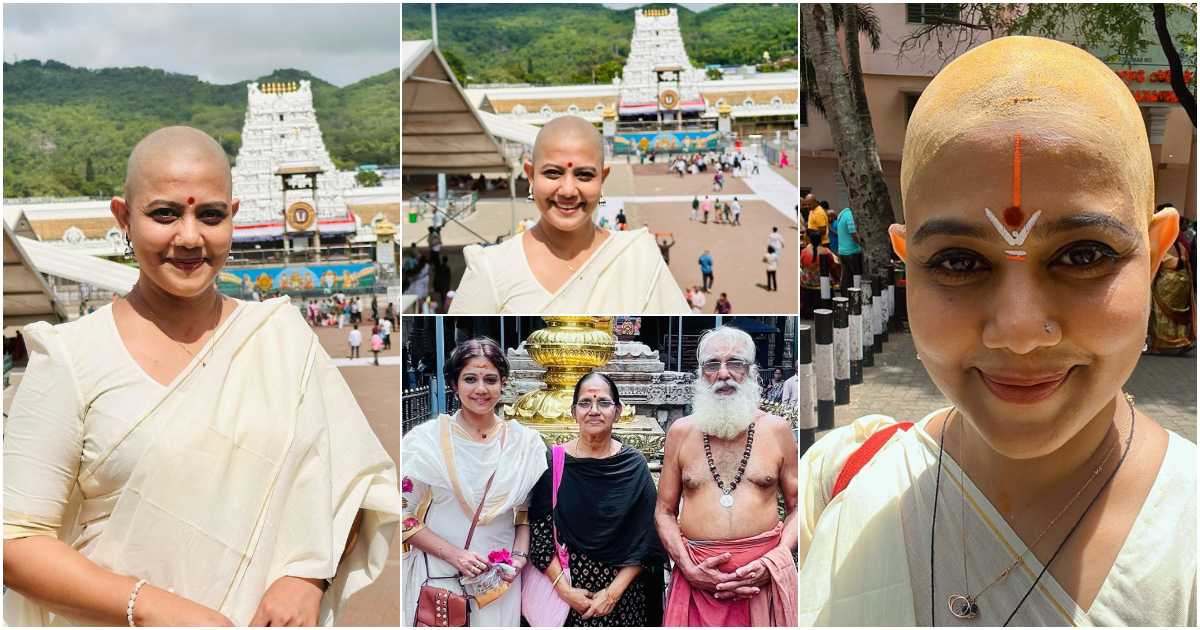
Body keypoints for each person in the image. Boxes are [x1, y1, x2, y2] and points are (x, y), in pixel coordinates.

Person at [797, 36, 1195, 626]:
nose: (1018, 332)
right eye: (958, 262)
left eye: (1083, 255)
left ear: (1159, 252)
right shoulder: (839, 485)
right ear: (908, 261)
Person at [3, 126, 400, 626]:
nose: (189, 237)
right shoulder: (68, 358)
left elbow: (353, 487)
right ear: (123, 218)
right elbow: (14, 540)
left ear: (233, 217)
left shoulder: (281, 339)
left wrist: (309, 577)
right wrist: (153, 609)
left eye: (209, 215)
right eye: (164, 213)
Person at [450, 116, 688, 314]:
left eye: (584, 175)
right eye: (553, 173)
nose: (567, 191)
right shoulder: (491, 269)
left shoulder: (638, 255)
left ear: (602, 178)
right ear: (530, 175)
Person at [656, 327, 799, 626]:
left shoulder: (776, 430)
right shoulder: (681, 432)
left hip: (762, 584)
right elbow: (665, 512)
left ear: (751, 371)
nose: (723, 374)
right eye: (712, 365)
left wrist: (776, 559)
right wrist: (688, 567)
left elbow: (800, 507)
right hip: (696, 584)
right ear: (701, 374)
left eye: (734, 363)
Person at [402, 338, 548, 626]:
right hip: (440, 579)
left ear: (503, 383)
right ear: (454, 385)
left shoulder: (524, 443)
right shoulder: (425, 442)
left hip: (499, 583)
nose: (481, 389)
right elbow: (402, 516)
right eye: (470, 379)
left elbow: (525, 514)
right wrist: (456, 556)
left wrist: (518, 559)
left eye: (490, 379)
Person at [527, 372, 667, 627]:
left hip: (624, 598)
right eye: (585, 403)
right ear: (573, 411)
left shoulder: (633, 465)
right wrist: (565, 591)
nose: (594, 410)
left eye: (603, 402)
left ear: (618, 410)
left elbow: (648, 540)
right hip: (565, 598)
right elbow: (540, 534)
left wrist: (612, 594)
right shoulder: (554, 462)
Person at [1147, 207, 1195, 354]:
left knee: (1160, 312)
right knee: (1177, 315)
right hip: (1183, 280)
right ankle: (1181, 340)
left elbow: (1157, 262)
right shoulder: (1182, 241)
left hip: (1168, 280)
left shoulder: (1164, 240)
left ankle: (1163, 344)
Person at [833, 206, 863, 290]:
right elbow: (853, 234)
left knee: (846, 276)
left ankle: (844, 296)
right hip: (853, 251)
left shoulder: (842, 214)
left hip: (842, 251)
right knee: (856, 277)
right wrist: (862, 245)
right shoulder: (850, 215)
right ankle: (856, 296)